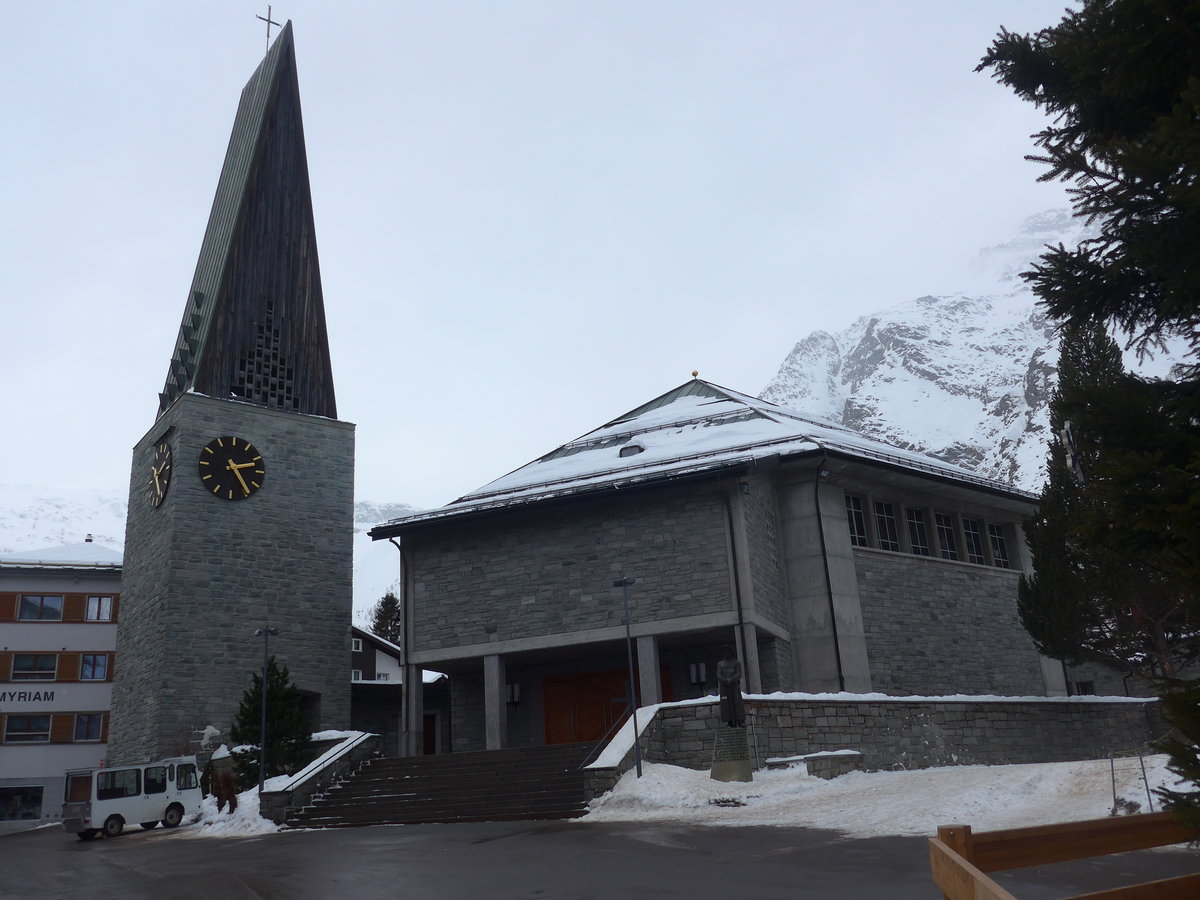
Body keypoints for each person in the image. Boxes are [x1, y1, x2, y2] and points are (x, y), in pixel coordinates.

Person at [716, 648, 746, 727]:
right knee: (725, 703)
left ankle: (740, 720)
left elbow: (738, 673)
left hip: (734, 686)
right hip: (724, 687)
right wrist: (725, 680)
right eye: (724, 652)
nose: (726, 653)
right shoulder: (720, 664)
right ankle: (728, 721)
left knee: (737, 701)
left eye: (728, 651)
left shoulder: (736, 662)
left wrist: (731, 679)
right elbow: (719, 675)